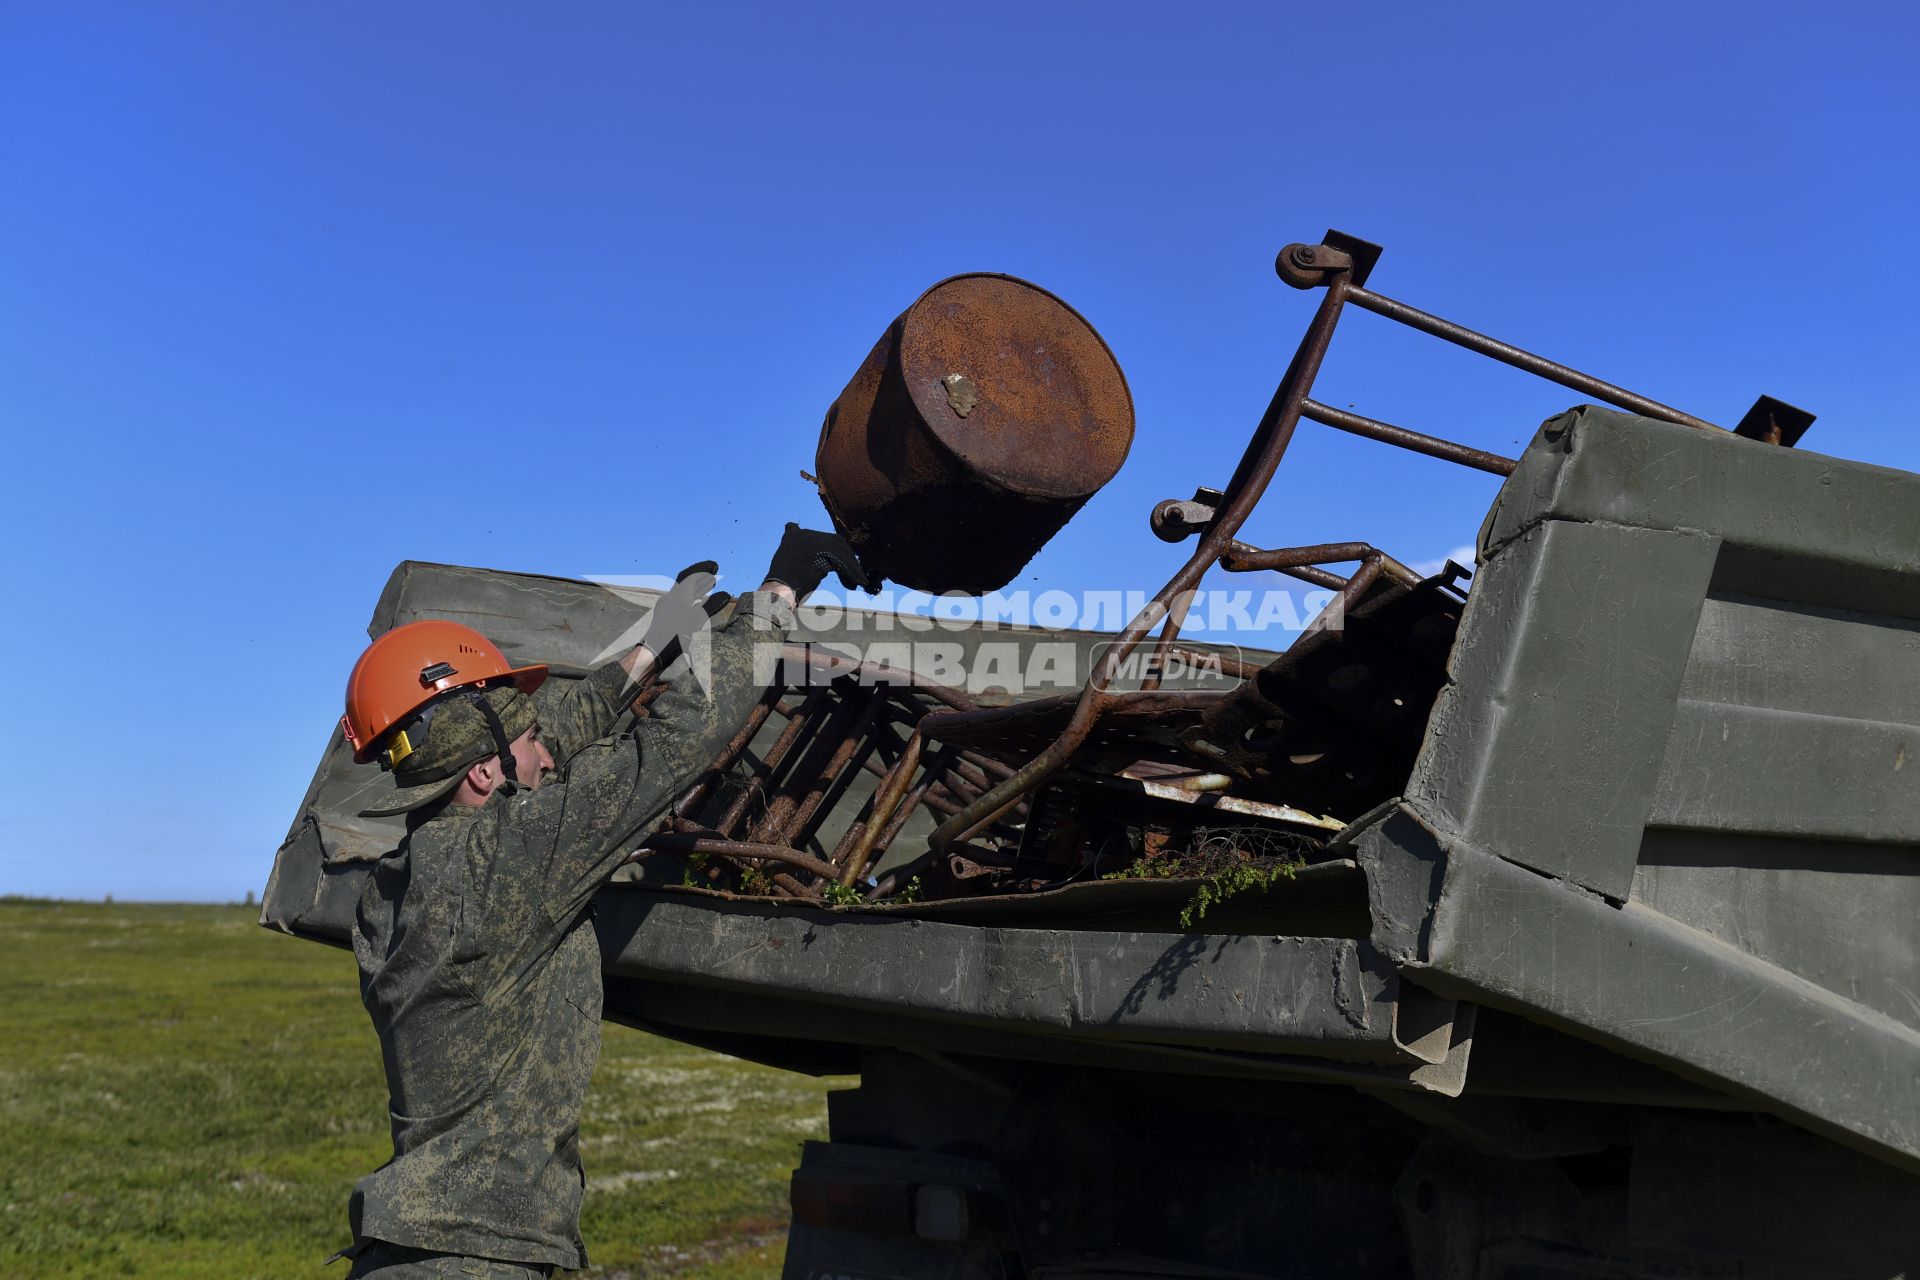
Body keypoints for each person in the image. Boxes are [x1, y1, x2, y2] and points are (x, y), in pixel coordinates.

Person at [330, 525, 868, 1279]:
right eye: (522, 737)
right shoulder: (509, 860)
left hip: (413, 1249)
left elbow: (550, 741)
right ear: (484, 778)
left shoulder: (395, 885)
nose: (543, 749)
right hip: (477, 1261)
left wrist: (658, 636)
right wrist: (774, 600)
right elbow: (673, 746)